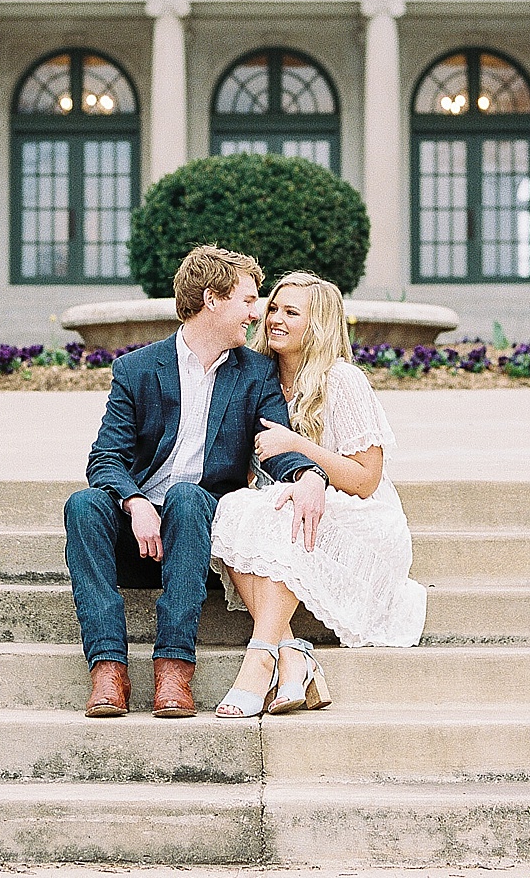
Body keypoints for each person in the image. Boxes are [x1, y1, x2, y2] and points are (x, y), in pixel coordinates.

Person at [62, 245, 323, 718]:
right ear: (211, 299)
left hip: (196, 534)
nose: (256, 312)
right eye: (248, 299)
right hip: (138, 534)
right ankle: (107, 670)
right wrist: (135, 502)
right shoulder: (138, 369)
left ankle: (174, 669)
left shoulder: (255, 373)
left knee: (186, 496)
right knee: (83, 506)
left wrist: (309, 476)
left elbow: (275, 445)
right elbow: (104, 458)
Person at [209, 271, 427, 718]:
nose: (275, 319)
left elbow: (366, 479)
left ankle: (259, 658)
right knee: (232, 509)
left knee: (285, 514)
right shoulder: (255, 376)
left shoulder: (341, 380)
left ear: (319, 324)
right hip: (290, 505)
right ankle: (291, 655)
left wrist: (300, 447)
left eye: (292, 312)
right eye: (273, 308)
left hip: (359, 516)